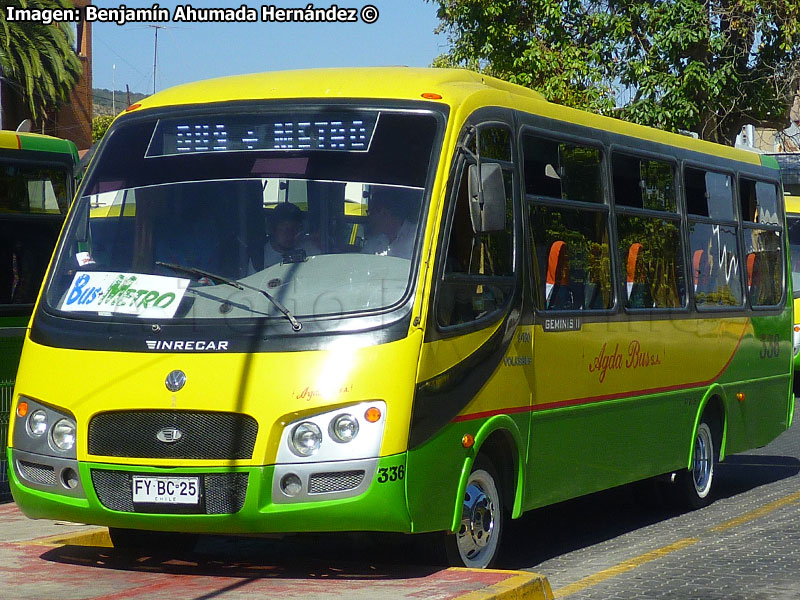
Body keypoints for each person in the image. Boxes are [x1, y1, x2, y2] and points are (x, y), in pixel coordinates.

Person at [361, 187, 417, 259]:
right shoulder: (374, 242)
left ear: (384, 213)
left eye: (370, 213)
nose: (369, 218)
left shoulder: (417, 238)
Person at [262, 202, 319, 268]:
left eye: (295, 228)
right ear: (273, 228)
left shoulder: (311, 250)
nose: (290, 234)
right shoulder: (260, 258)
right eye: (285, 228)